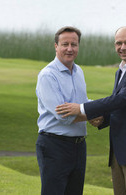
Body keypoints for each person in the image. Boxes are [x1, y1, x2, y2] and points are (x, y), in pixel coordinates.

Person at [56, 26, 126, 195]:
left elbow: (120, 99)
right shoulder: (122, 70)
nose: (123, 47)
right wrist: (103, 119)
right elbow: (122, 107)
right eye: (118, 43)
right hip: (120, 150)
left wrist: (82, 108)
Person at [35, 26, 91, 195]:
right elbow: (64, 116)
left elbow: (82, 104)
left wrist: (101, 108)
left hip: (79, 146)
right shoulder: (47, 76)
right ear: (56, 46)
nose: (69, 48)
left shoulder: (79, 71)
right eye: (65, 44)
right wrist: (93, 114)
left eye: (74, 44)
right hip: (54, 145)